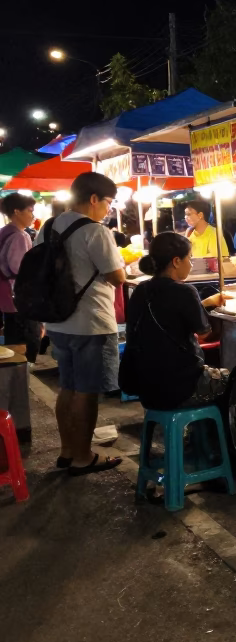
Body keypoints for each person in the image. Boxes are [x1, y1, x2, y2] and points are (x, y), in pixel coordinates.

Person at [36, 172, 126, 475]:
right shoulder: (95, 231)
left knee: (68, 387)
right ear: (93, 199)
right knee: (87, 392)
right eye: (108, 202)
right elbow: (117, 276)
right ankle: (84, 456)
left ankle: (66, 452)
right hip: (91, 323)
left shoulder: (48, 227)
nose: (108, 209)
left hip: (59, 321)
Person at [120, 232, 228, 410]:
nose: (191, 264)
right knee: (234, 380)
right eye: (189, 259)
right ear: (176, 261)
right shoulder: (185, 291)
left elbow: (168, 314)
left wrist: (206, 303)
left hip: (146, 389)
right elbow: (204, 332)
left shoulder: (141, 290)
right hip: (181, 389)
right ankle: (207, 435)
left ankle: (197, 433)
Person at [0, 193, 42, 362]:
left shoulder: (4, 231)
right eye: (30, 211)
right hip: (19, 297)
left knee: (13, 340)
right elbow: (20, 268)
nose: (33, 216)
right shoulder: (19, 235)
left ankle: (14, 378)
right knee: (28, 342)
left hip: (6, 297)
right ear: (17, 212)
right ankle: (23, 379)